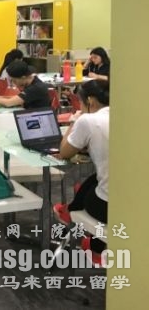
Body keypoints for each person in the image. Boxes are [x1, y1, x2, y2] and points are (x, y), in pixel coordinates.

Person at [52, 80, 109, 258]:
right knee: (97, 178)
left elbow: (64, 152)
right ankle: (69, 211)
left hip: (107, 207)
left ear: (90, 101)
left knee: (89, 187)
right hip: (136, 202)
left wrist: (74, 121)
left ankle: (95, 248)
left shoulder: (87, 120)